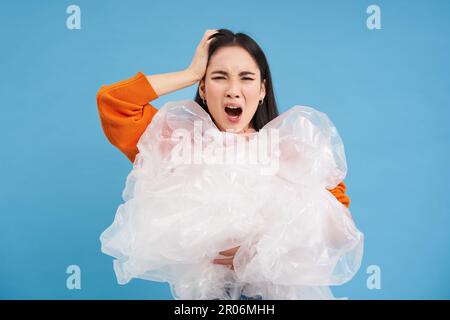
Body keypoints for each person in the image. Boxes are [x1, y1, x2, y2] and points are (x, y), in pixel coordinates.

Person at [96, 29, 361, 300]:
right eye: (219, 77)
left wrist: (257, 250)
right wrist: (189, 72)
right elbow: (114, 103)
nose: (233, 91)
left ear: (262, 90)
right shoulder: (178, 143)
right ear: (203, 87)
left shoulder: (291, 148)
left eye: (246, 78)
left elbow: (339, 228)